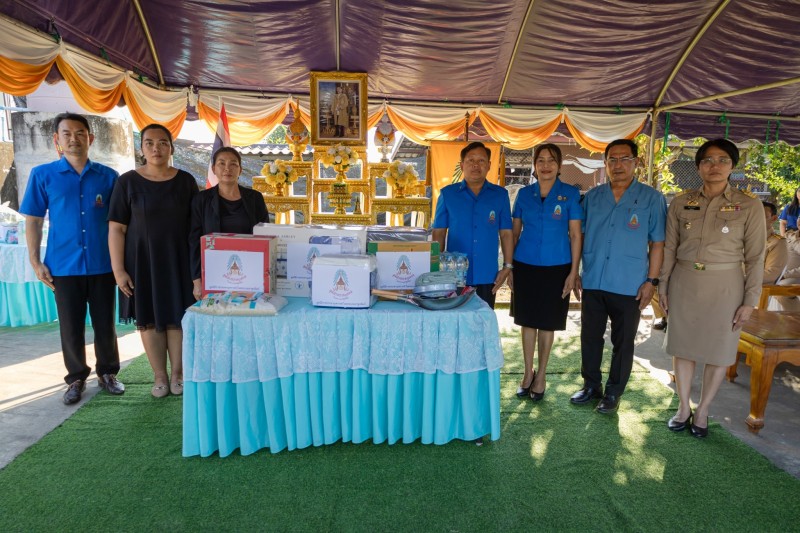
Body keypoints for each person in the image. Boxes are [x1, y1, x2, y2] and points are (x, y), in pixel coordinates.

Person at [660, 139, 766, 438]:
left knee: (719, 351)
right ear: (698, 167)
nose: (714, 166)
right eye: (707, 160)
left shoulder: (750, 205)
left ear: (732, 166)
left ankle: (703, 410)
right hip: (684, 281)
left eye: (722, 160)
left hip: (726, 286)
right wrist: (663, 285)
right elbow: (669, 247)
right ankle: (683, 407)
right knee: (683, 347)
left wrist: (750, 300)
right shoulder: (681, 201)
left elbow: (756, 257)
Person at [20, 112, 125, 404]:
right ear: (57, 139)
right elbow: (33, 220)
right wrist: (35, 261)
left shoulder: (108, 176)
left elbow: (119, 224)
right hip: (63, 266)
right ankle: (76, 378)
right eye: (66, 134)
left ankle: (108, 373)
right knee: (70, 326)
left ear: (90, 138)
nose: (73, 139)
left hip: (103, 264)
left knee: (105, 323)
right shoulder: (43, 175)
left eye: (80, 133)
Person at [571, 139, 666, 413]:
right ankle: (591, 386)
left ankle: (613, 392)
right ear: (605, 163)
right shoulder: (592, 197)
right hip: (594, 278)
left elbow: (657, 243)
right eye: (612, 159)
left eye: (625, 159)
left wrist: (651, 281)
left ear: (636, 162)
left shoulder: (652, 198)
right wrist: (575, 271)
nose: (618, 165)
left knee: (623, 342)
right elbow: (580, 236)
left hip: (630, 283)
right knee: (590, 336)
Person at [108, 124, 198, 398]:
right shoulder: (127, 182)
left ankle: (178, 374)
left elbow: (196, 226)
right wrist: (118, 270)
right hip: (142, 264)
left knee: (178, 317)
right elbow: (116, 228)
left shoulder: (185, 181)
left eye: (162, 142)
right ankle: (159, 375)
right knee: (148, 318)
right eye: (149, 143)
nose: (156, 148)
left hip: (179, 261)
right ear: (142, 148)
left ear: (171, 148)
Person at [509, 144, 583, 401]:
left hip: (557, 266)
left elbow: (576, 235)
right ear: (534, 165)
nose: (546, 165)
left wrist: (574, 272)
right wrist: (509, 267)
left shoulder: (570, 194)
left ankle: (541, 375)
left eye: (551, 160)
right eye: (540, 160)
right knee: (527, 320)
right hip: (525, 264)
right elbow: (514, 233)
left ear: (559, 165)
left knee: (548, 322)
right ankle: (527, 372)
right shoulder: (524, 194)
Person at [432, 141, 513, 309]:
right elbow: (439, 233)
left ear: (489, 165)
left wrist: (507, 267)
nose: (476, 165)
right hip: (454, 274)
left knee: (483, 319)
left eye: (481, 161)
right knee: (454, 320)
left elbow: (506, 233)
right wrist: (435, 268)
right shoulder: (448, 194)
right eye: (471, 160)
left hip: (488, 274)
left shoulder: (500, 195)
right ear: (462, 165)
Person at [189, 147, 270, 300]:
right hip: (214, 272)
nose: (227, 168)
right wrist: (197, 281)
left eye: (233, 164)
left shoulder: (255, 198)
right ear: (214, 169)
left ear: (240, 170)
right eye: (222, 163)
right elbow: (194, 241)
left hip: (250, 271)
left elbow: (265, 237)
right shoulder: (201, 200)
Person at [762, 201, 787, 285]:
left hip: (756, 289)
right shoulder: (740, 239)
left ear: (773, 218)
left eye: (762, 216)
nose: (755, 220)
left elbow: (771, 275)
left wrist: (737, 279)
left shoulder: (778, 242)